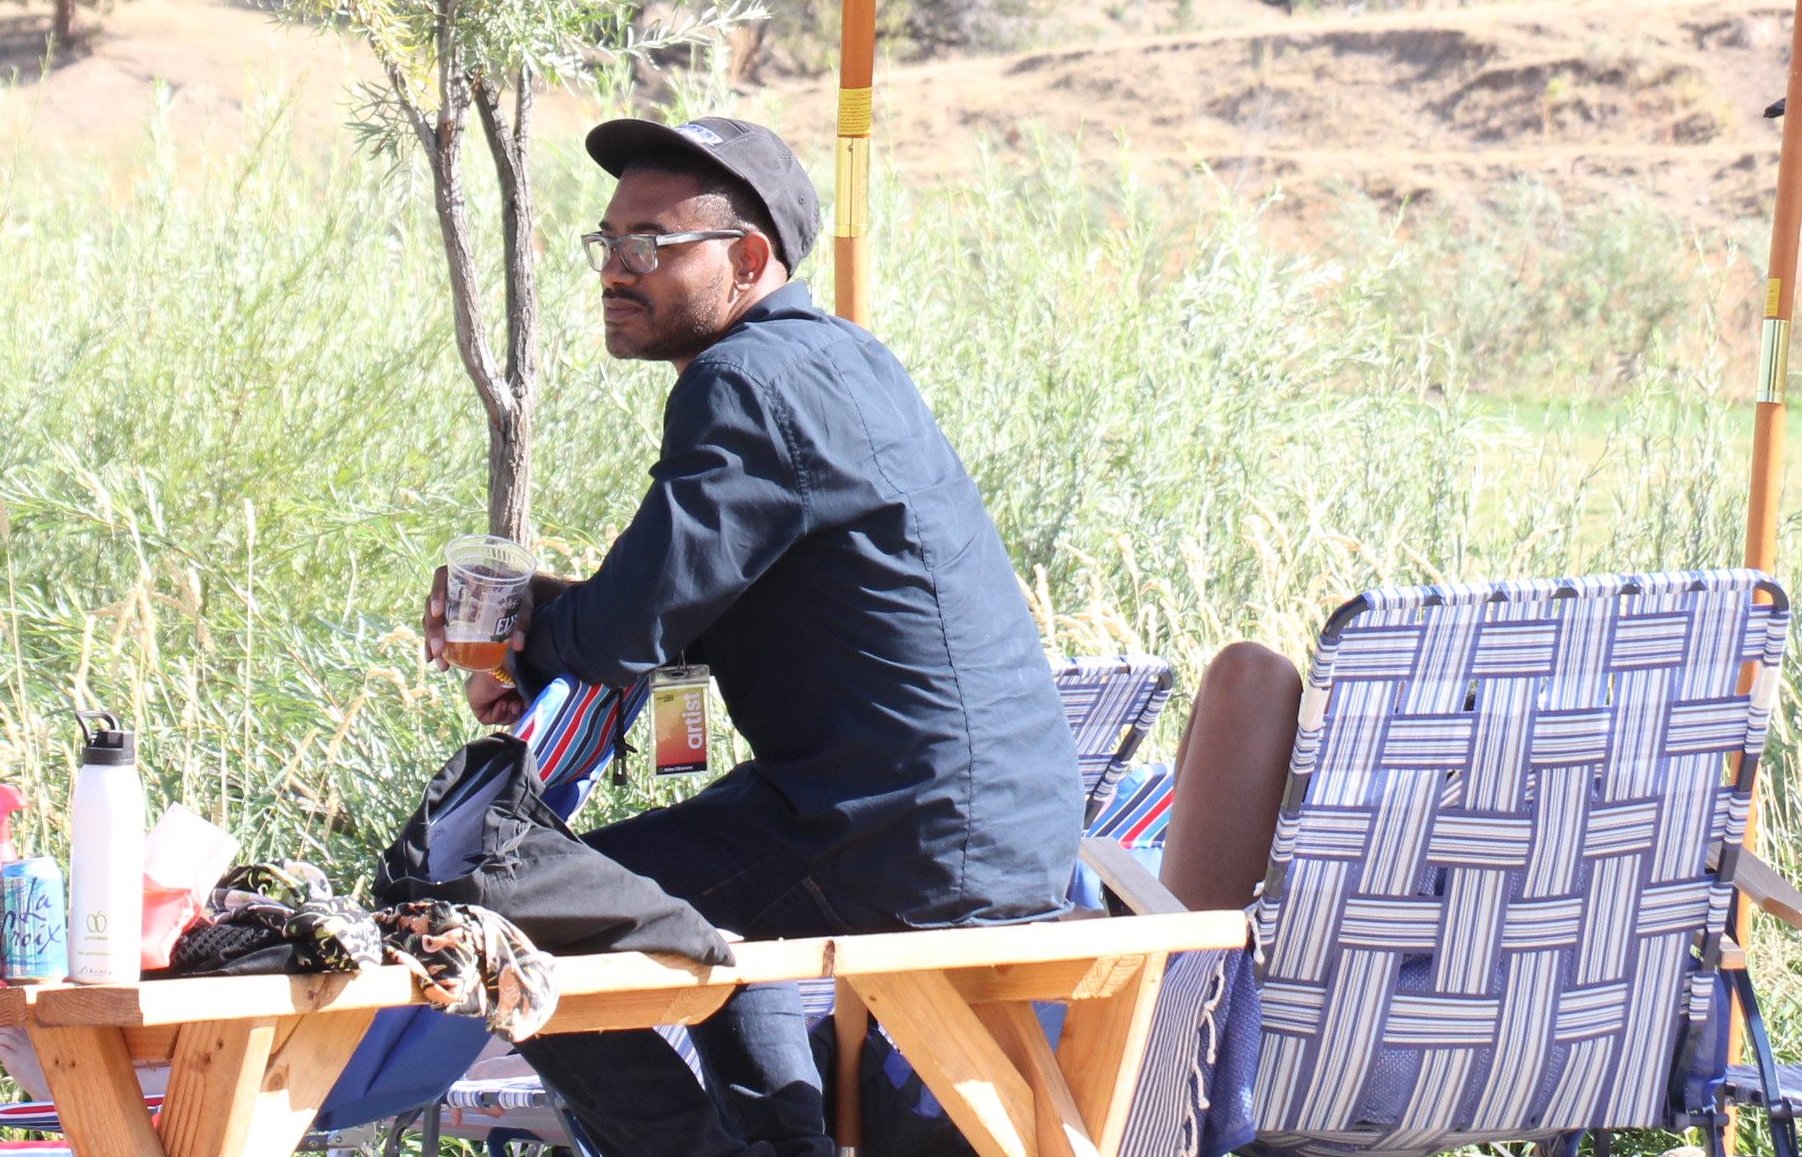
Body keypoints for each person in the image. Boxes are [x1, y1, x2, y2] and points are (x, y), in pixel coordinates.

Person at [424, 116, 1301, 1157]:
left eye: (651, 244)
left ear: (749, 258)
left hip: (898, 841)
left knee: (495, 901)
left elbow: (625, 630)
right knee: (699, 901)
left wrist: (528, 633)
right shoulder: (836, 360)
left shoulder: (743, 384)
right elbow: (697, 603)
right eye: (607, 243)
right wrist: (543, 627)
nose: (617, 270)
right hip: (961, 821)